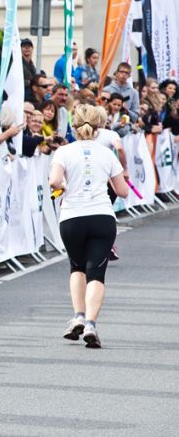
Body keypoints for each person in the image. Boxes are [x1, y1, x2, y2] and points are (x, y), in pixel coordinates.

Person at [49, 105, 129, 348]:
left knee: (77, 268)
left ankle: (78, 317)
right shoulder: (106, 154)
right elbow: (123, 191)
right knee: (97, 273)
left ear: (74, 126)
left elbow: (54, 181)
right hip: (101, 217)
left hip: (72, 216)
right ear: (100, 126)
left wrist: (61, 185)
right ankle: (91, 324)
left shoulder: (63, 151)